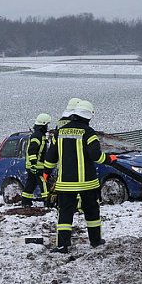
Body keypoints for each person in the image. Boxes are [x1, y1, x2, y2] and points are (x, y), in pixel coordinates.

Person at [42, 99, 115, 253]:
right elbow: (96, 156)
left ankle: (63, 245)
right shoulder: (89, 133)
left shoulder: (59, 132)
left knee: (65, 214)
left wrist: (46, 172)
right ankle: (95, 241)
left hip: (66, 184)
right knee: (92, 212)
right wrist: (110, 159)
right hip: (87, 183)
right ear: (89, 116)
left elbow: (51, 157)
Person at [21, 113, 52, 207]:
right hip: (37, 166)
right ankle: (48, 202)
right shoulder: (37, 136)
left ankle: (26, 202)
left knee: (31, 184)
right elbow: (32, 150)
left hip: (33, 166)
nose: (47, 127)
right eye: (47, 125)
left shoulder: (38, 135)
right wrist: (34, 164)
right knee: (43, 182)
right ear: (43, 125)